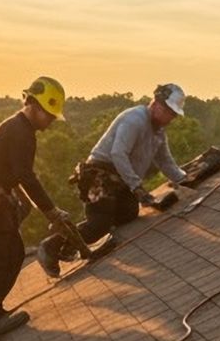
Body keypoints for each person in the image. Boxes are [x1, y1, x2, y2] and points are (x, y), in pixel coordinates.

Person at [39, 83, 196, 276]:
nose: (170, 118)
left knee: (128, 213)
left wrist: (188, 180)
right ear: (156, 104)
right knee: (100, 223)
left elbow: (166, 162)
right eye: (168, 112)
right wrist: (137, 187)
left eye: (173, 114)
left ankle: (70, 244)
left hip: (120, 179)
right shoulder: (135, 120)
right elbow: (118, 154)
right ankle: (51, 246)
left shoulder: (158, 133)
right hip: (100, 173)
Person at [0, 76, 71, 341]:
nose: (50, 121)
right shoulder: (21, 132)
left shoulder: (20, 129)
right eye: (48, 114)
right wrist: (51, 211)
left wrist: (31, 206)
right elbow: (25, 176)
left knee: (13, 252)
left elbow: (15, 174)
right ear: (32, 105)